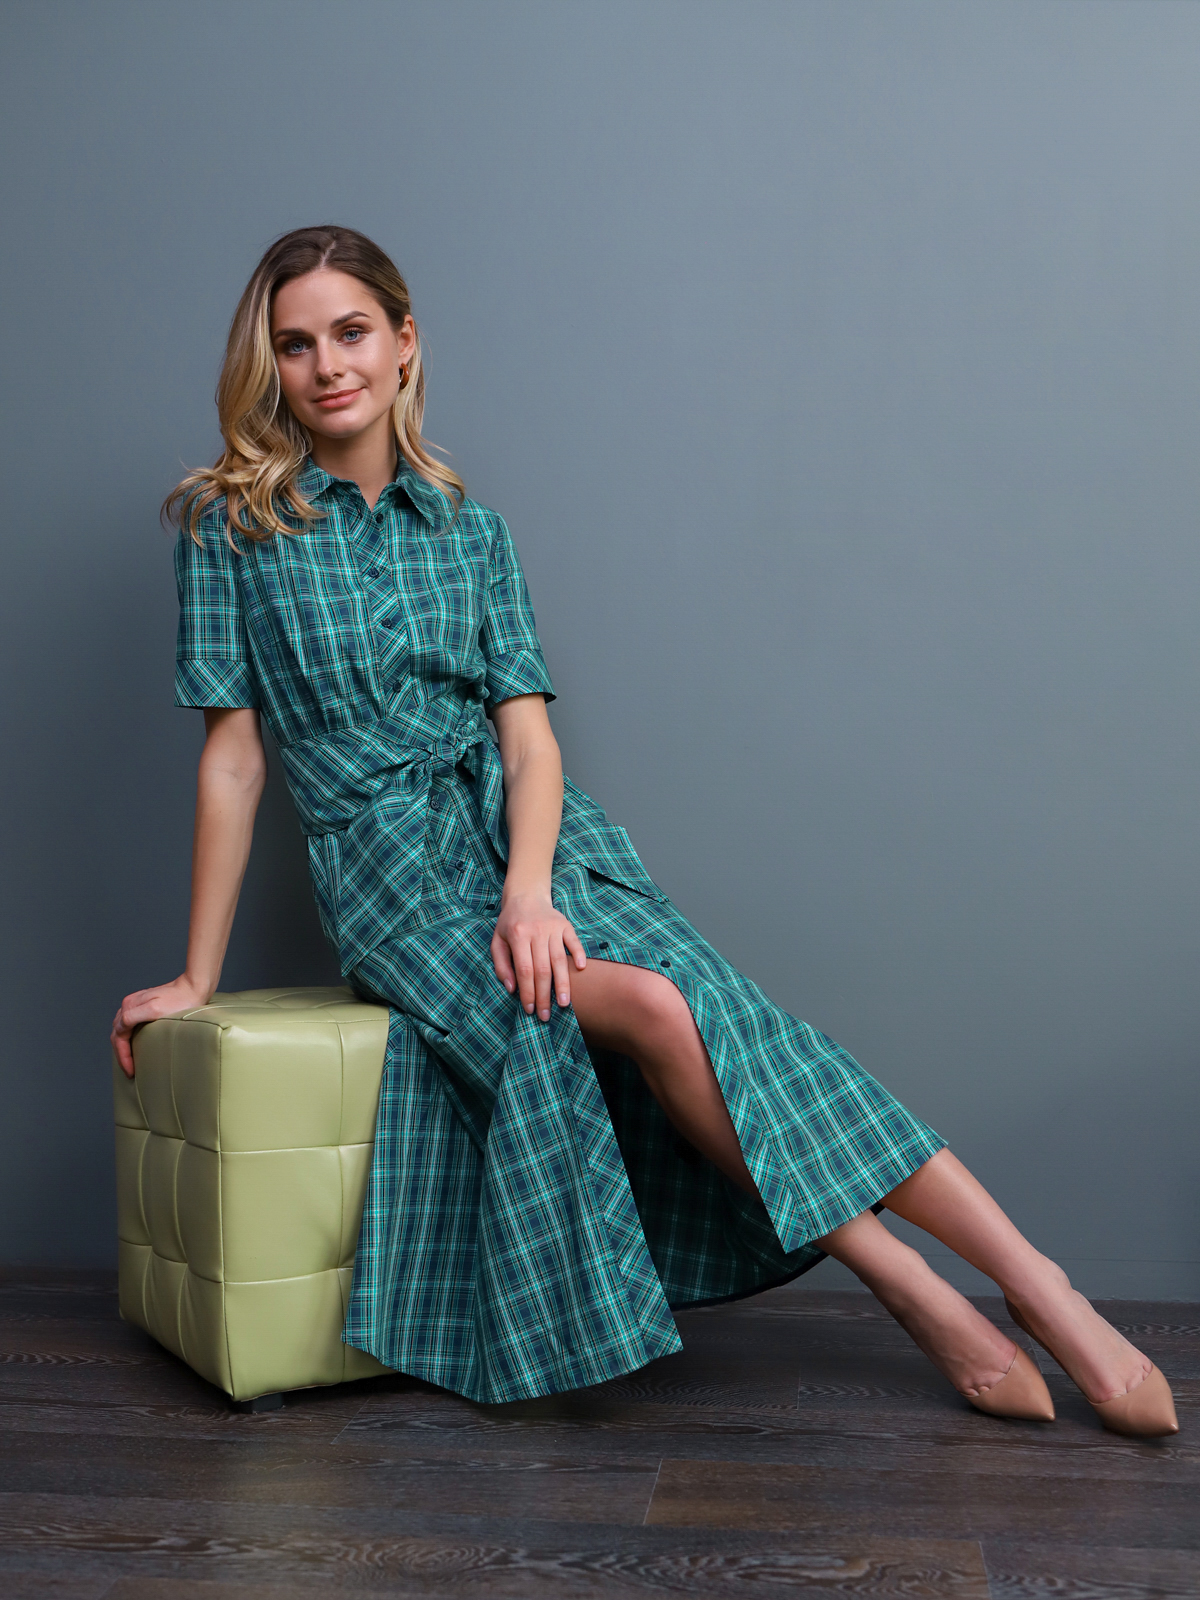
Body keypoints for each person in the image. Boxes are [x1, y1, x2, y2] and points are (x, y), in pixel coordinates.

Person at [112, 226, 1176, 1436]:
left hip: (534, 847)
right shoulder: (230, 529)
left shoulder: (474, 532)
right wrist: (196, 974)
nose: (326, 367)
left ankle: (1042, 1288)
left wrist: (528, 890)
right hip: (391, 878)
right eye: (295, 344)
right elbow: (236, 760)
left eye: (351, 333)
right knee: (656, 1007)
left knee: (727, 1010)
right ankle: (914, 1288)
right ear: (272, 365)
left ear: (404, 343)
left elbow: (530, 744)